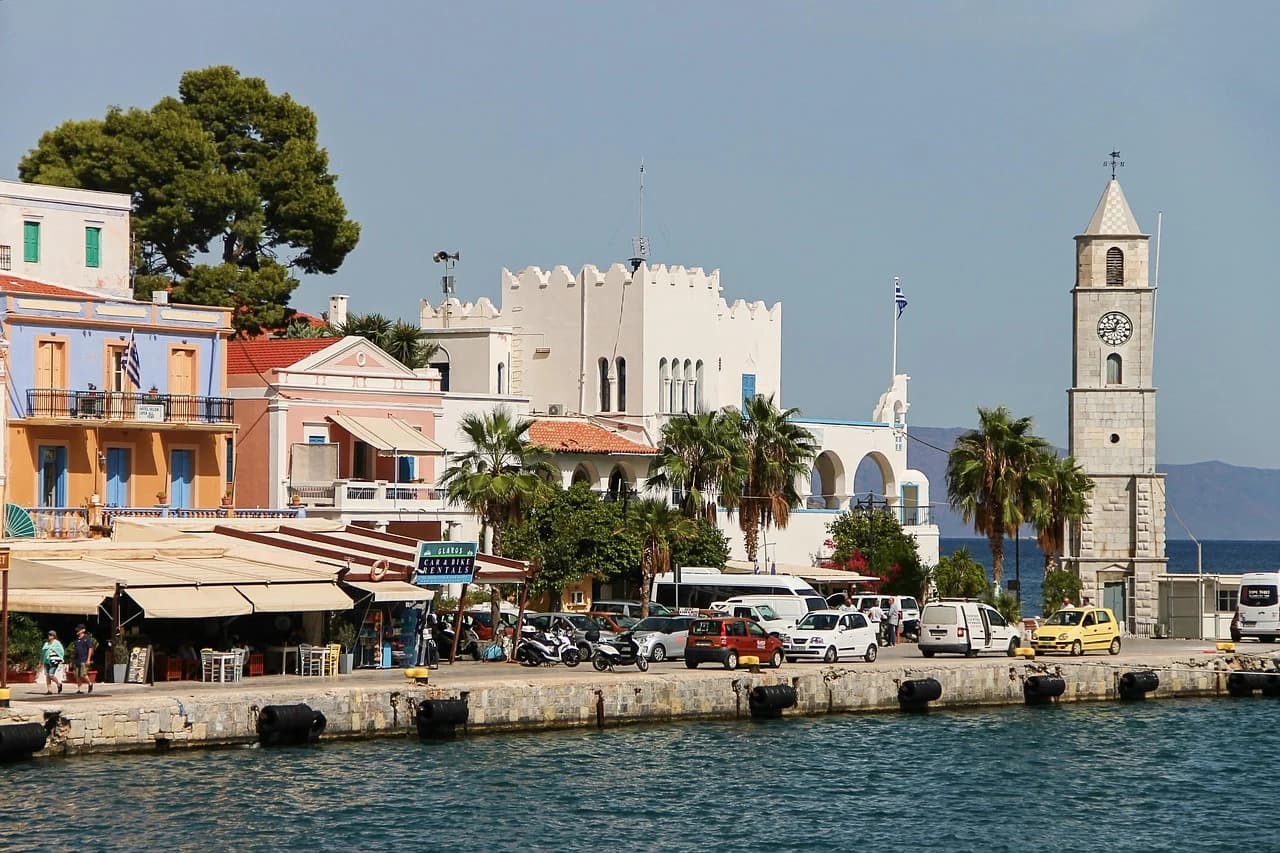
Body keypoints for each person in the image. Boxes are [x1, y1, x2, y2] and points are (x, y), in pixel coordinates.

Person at [71, 624, 96, 693]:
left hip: (83, 659)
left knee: (83, 674)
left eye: (79, 630)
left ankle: (90, 683)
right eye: (77, 630)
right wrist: (72, 660)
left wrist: (88, 659)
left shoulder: (87, 639)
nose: (77, 631)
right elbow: (75, 651)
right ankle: (79, 689)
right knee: (77, 675)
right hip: (77, 660)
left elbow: (90, 648)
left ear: (83, 630)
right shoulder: (76, 640)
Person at [41, 630, 65, 695]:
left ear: (54, 636)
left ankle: (59, 684)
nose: (49, 636)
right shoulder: (46, 643)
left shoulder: (57, 643)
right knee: (47, 675)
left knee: (51, 674)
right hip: (46, 661)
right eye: (49, 634)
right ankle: (49, 690)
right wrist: (41, 661)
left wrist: (59, 656)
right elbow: (43, 653)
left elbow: (61, 651)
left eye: (51, 635)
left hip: (53, 661)